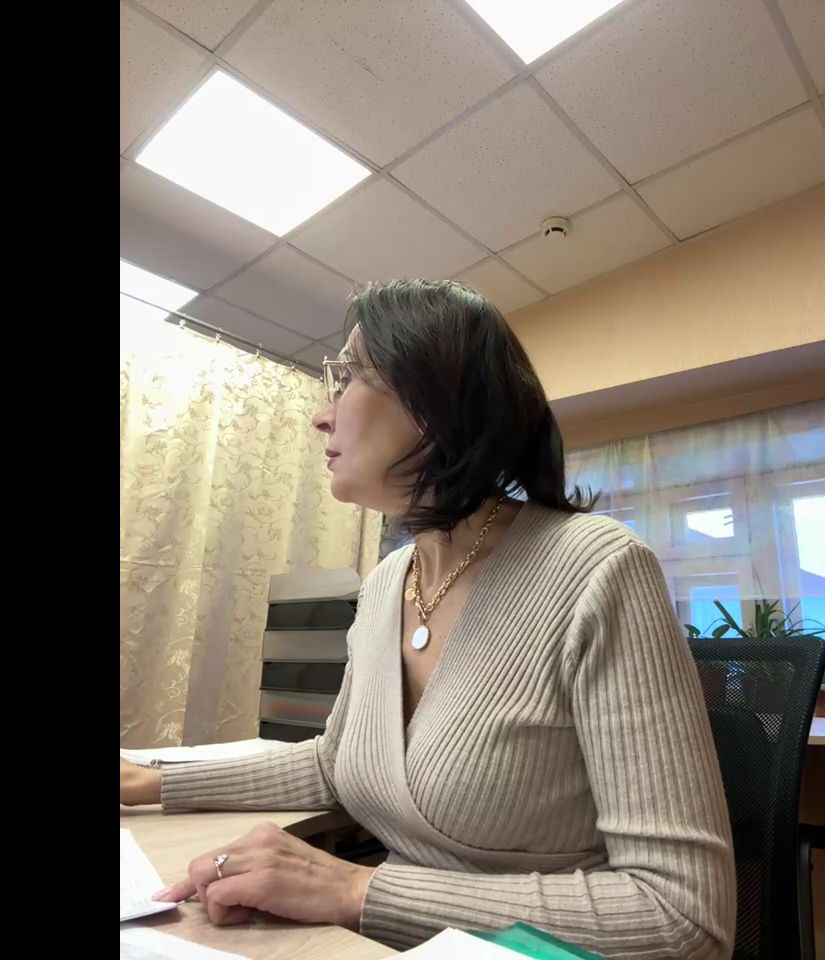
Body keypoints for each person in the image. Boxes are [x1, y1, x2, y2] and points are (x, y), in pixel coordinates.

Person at [120, 279, 736, 959]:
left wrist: (358, 891)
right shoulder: (388, 582)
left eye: (347, 379)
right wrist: (152, 780)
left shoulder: (598, 569)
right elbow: (335, 764)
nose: (321, 416)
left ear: (438, 400)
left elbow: (683, 915)